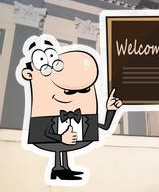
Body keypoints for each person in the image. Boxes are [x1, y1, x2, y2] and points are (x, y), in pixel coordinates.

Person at [16, 34, 122, 182]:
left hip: (71, 137)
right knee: (60, 146)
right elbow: (44, 134)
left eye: (84, 90)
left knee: (63, 147)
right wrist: (61, 137)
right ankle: (57, 168)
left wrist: (111, 109)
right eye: (69, 91)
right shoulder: (44, 115)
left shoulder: (84, 116)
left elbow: (104, 127)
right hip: (54, 139)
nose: (74, 95)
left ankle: (62, 168)